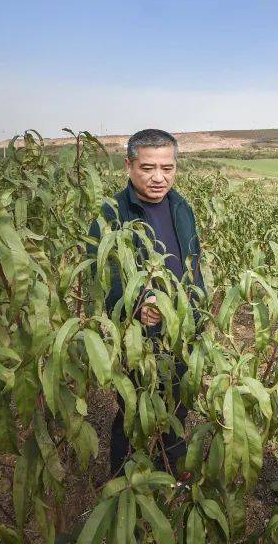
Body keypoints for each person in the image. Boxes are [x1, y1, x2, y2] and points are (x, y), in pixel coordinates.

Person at [87, 128, 205, 478]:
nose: (158, 177)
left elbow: (193, 263)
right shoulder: (111, 214)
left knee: (179, 404)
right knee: (134, 407)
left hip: (180, 328)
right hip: (136, 333)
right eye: (148, 167)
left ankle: (172, 469)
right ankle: (125, 480)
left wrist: (196, 314)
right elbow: (101, 274)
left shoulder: (181, 207)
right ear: (129, 166)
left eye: (167, 168)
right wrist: (137, 300)